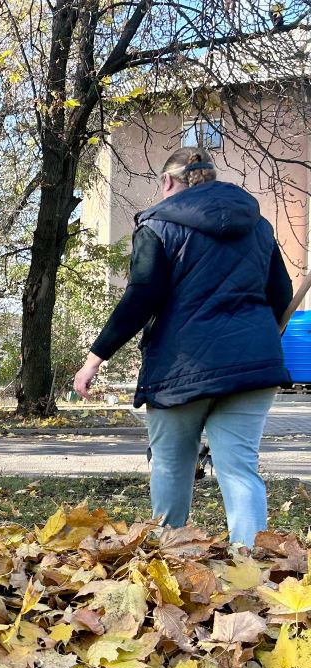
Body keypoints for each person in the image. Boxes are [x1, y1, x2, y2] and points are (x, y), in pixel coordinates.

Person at [72, 147, 292, 547]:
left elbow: (141, 297)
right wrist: (258, 335)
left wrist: (95, 358)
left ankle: (172, 556)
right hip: (251, 365)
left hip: (180, 369)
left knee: (172, 465)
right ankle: (253, 565)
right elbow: (281, 292)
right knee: (240, 468)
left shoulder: (158, 224)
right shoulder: (257, 225)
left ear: (168, 182)